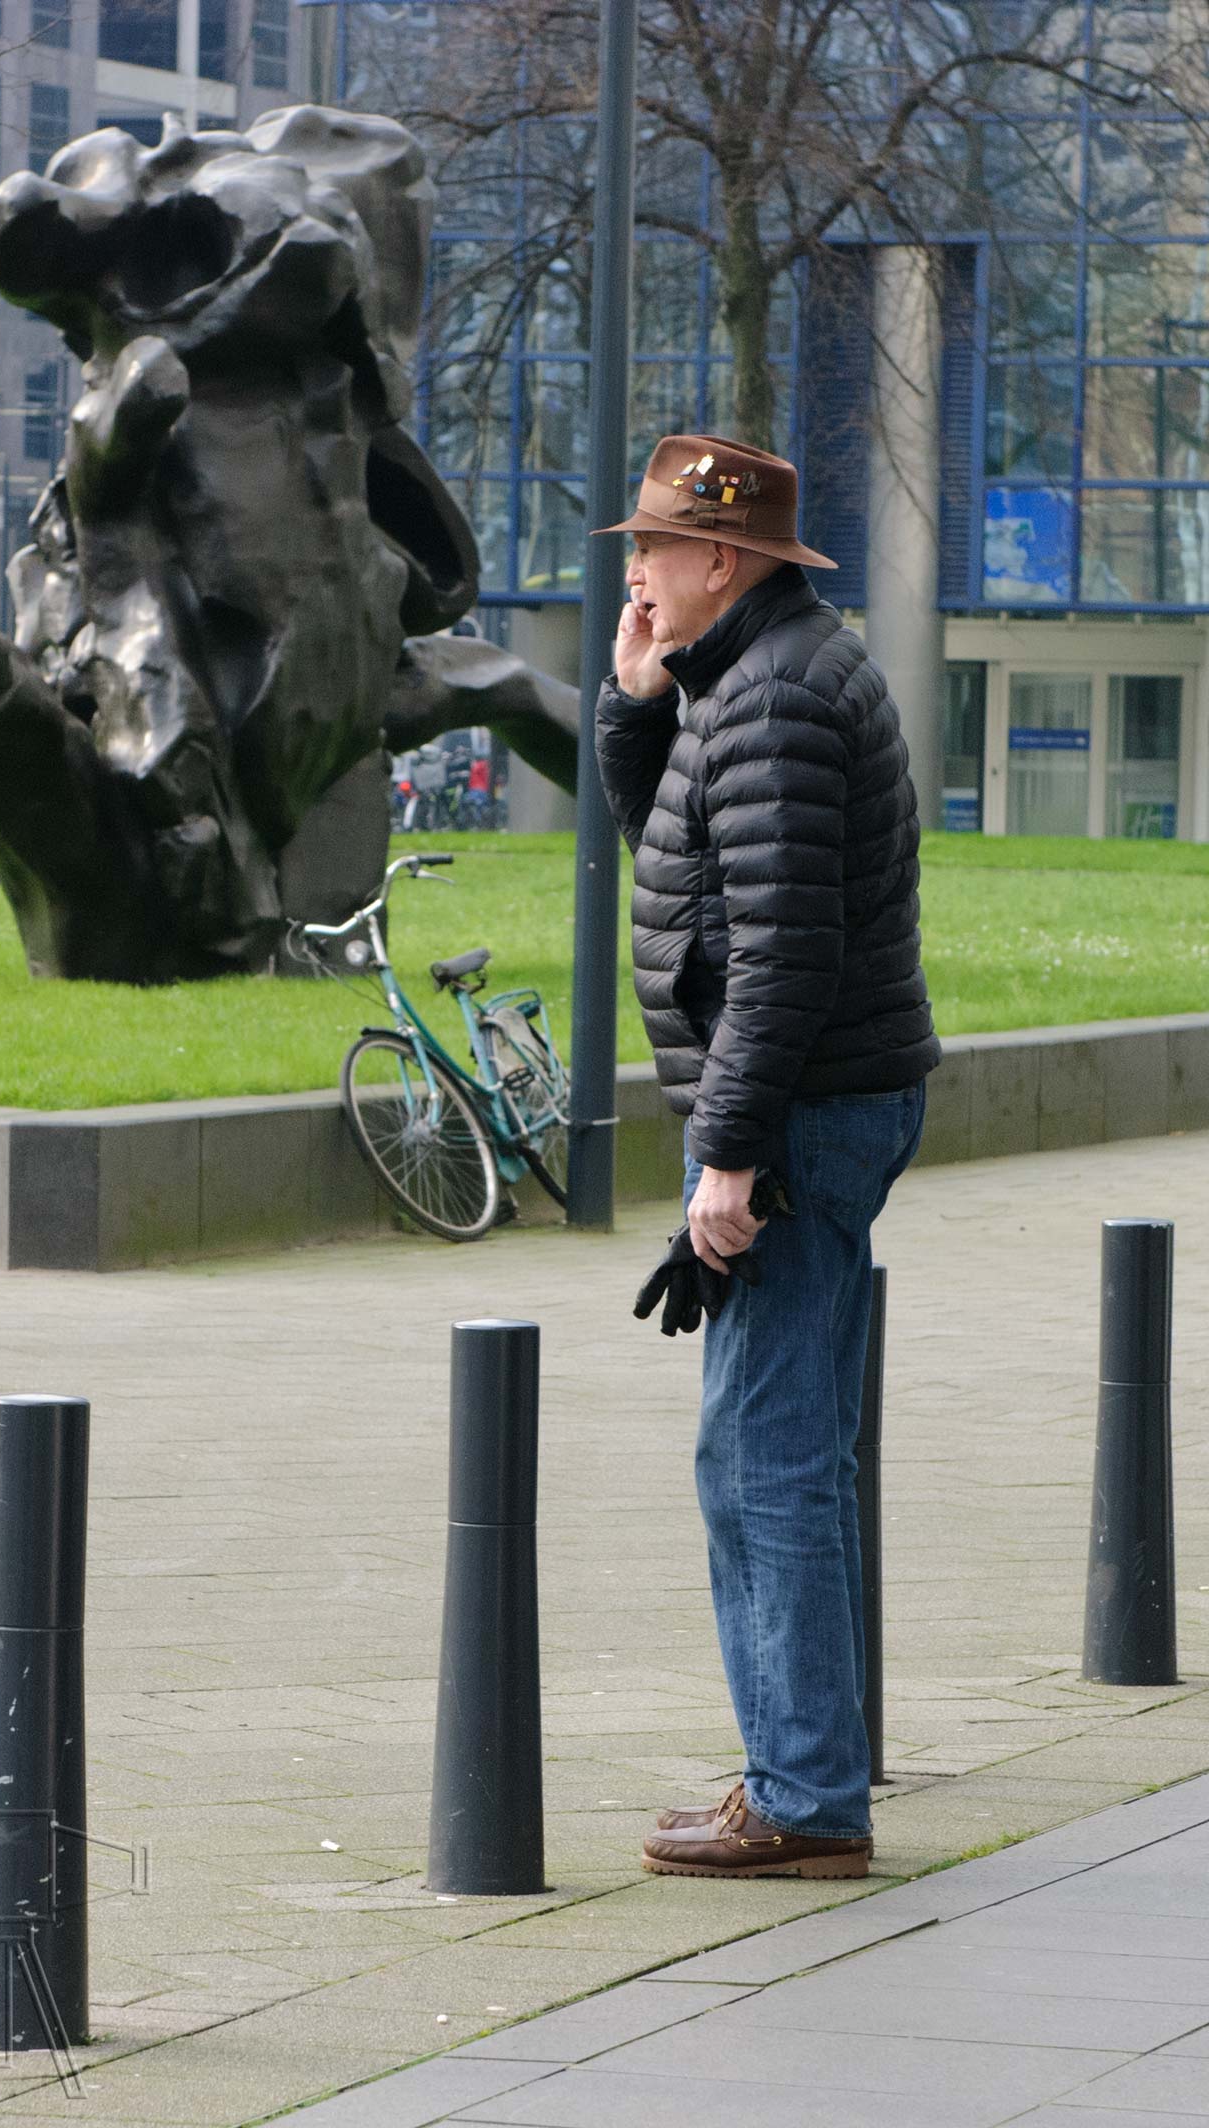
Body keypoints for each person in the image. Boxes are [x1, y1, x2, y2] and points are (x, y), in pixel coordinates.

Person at [594, 434, 939, 1882]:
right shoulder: (755, 676)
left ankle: (803, 1799)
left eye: (653, 548)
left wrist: (728, 1158)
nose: (636, 572)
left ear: (722, 558)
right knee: (780, 1449)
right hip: (813, 1106)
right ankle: (807, 1772)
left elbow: (783, 954)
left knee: (764, 1458)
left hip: (796, 1118)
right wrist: (636, 704)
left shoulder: (780, 696)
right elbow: (686, 867)